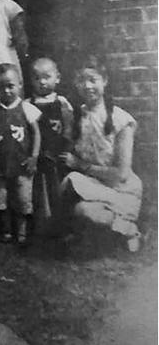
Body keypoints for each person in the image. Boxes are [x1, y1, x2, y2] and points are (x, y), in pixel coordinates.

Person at [57, 60, 143, 252]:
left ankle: (129, 229)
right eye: (81, 80)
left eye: (93, 80)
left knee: (85, 211)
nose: (87, 86)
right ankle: (78, 233)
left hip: (121, 190)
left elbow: (121, 174)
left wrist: (80, 165)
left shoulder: (121, 120)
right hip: (93, 185)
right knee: (67, 186)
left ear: (104, 81)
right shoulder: (77, 116)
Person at [0, 63, 41, 246]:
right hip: (0, 165)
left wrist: (34, 156)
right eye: (1, 87)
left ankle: (21, 232)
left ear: (20, 84)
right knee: (1, 200)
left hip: (22, 164)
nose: (7, 91)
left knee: (22, 200)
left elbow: (36, 133)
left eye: (11, 86)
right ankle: (5, 231)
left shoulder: (26, 108)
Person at [25, 57, 73, 227]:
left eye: (47, 77)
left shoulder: (62, 102)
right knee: (38, 188)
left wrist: (67, 147)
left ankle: (61, 222)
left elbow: (68, 126)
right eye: (37, 78)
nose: (42, 82)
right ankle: (41, 223)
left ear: (57, 78)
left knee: (57, 187)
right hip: (38, 154)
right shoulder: (28, 104)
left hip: (57, 153)